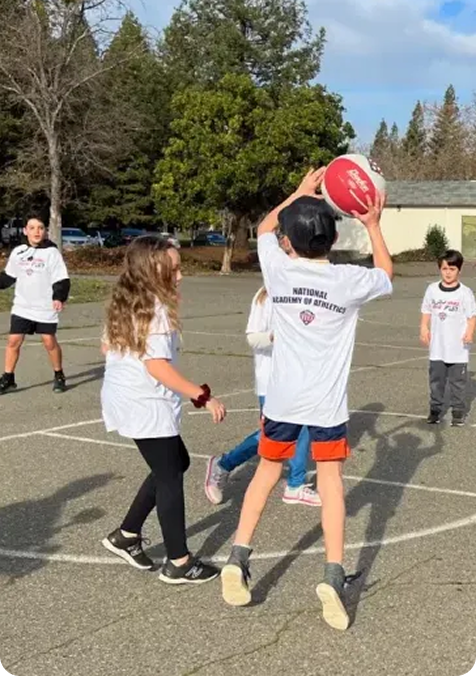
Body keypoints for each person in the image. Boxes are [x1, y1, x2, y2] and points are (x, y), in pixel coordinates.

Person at [220, 168, 393, 631]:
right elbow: (386, 273)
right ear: (333, 238)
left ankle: (238, 557)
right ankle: (332, 575)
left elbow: (263, 228)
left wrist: (297, 191)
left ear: (289, 242)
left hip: (282, 401)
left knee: (266, 473)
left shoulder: (278, 269)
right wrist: (373, 225)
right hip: (326, 405)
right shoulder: (348, 280)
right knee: (331, 483)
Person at [101, 235, 227, 585]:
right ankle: (179, 561)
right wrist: (202, 396)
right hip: (145, 403)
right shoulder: (154, 310)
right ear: (153, 271)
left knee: (176, 463)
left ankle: (126, 535)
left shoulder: (129, 299)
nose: (180, 275)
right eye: (174, 269)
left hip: (127, 396)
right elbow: (157, 366)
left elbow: (106, 347)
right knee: (170, 476)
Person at [204, 285, 320, 507]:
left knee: (303, 426)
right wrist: (277, 336)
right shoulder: (266, 296)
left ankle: (296, 484)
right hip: (272, 381)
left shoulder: (307, 290)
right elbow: (253, 338)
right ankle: (223, 464)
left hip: (300, 378)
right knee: (272, 435)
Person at [0, 214, 70, 395]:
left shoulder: (52, 253)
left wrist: (59, 297)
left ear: (45, 231)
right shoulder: (18, 252)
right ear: (25, 231)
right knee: (13, 341)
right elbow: (8, 277)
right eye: (32, 228)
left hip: (44, 308)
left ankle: (59, 375)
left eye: (40, 228)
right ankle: (8, 378)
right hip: (22, 306)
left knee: (49, 341)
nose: (36, 232)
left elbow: (61, 278)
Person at [420, 249, 476, 426]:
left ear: (459, 270)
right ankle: (435, 410)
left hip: (458, 348)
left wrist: (469, 332)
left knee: (457, 383)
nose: (448, 273)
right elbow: (426, 310)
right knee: (436, 381)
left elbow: (471, 316)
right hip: (438, 347)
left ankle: (458, 412)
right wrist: (424, 327)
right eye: (444, 269)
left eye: (452, 269)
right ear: (440, 269)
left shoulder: (465, 293)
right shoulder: (432, 290)